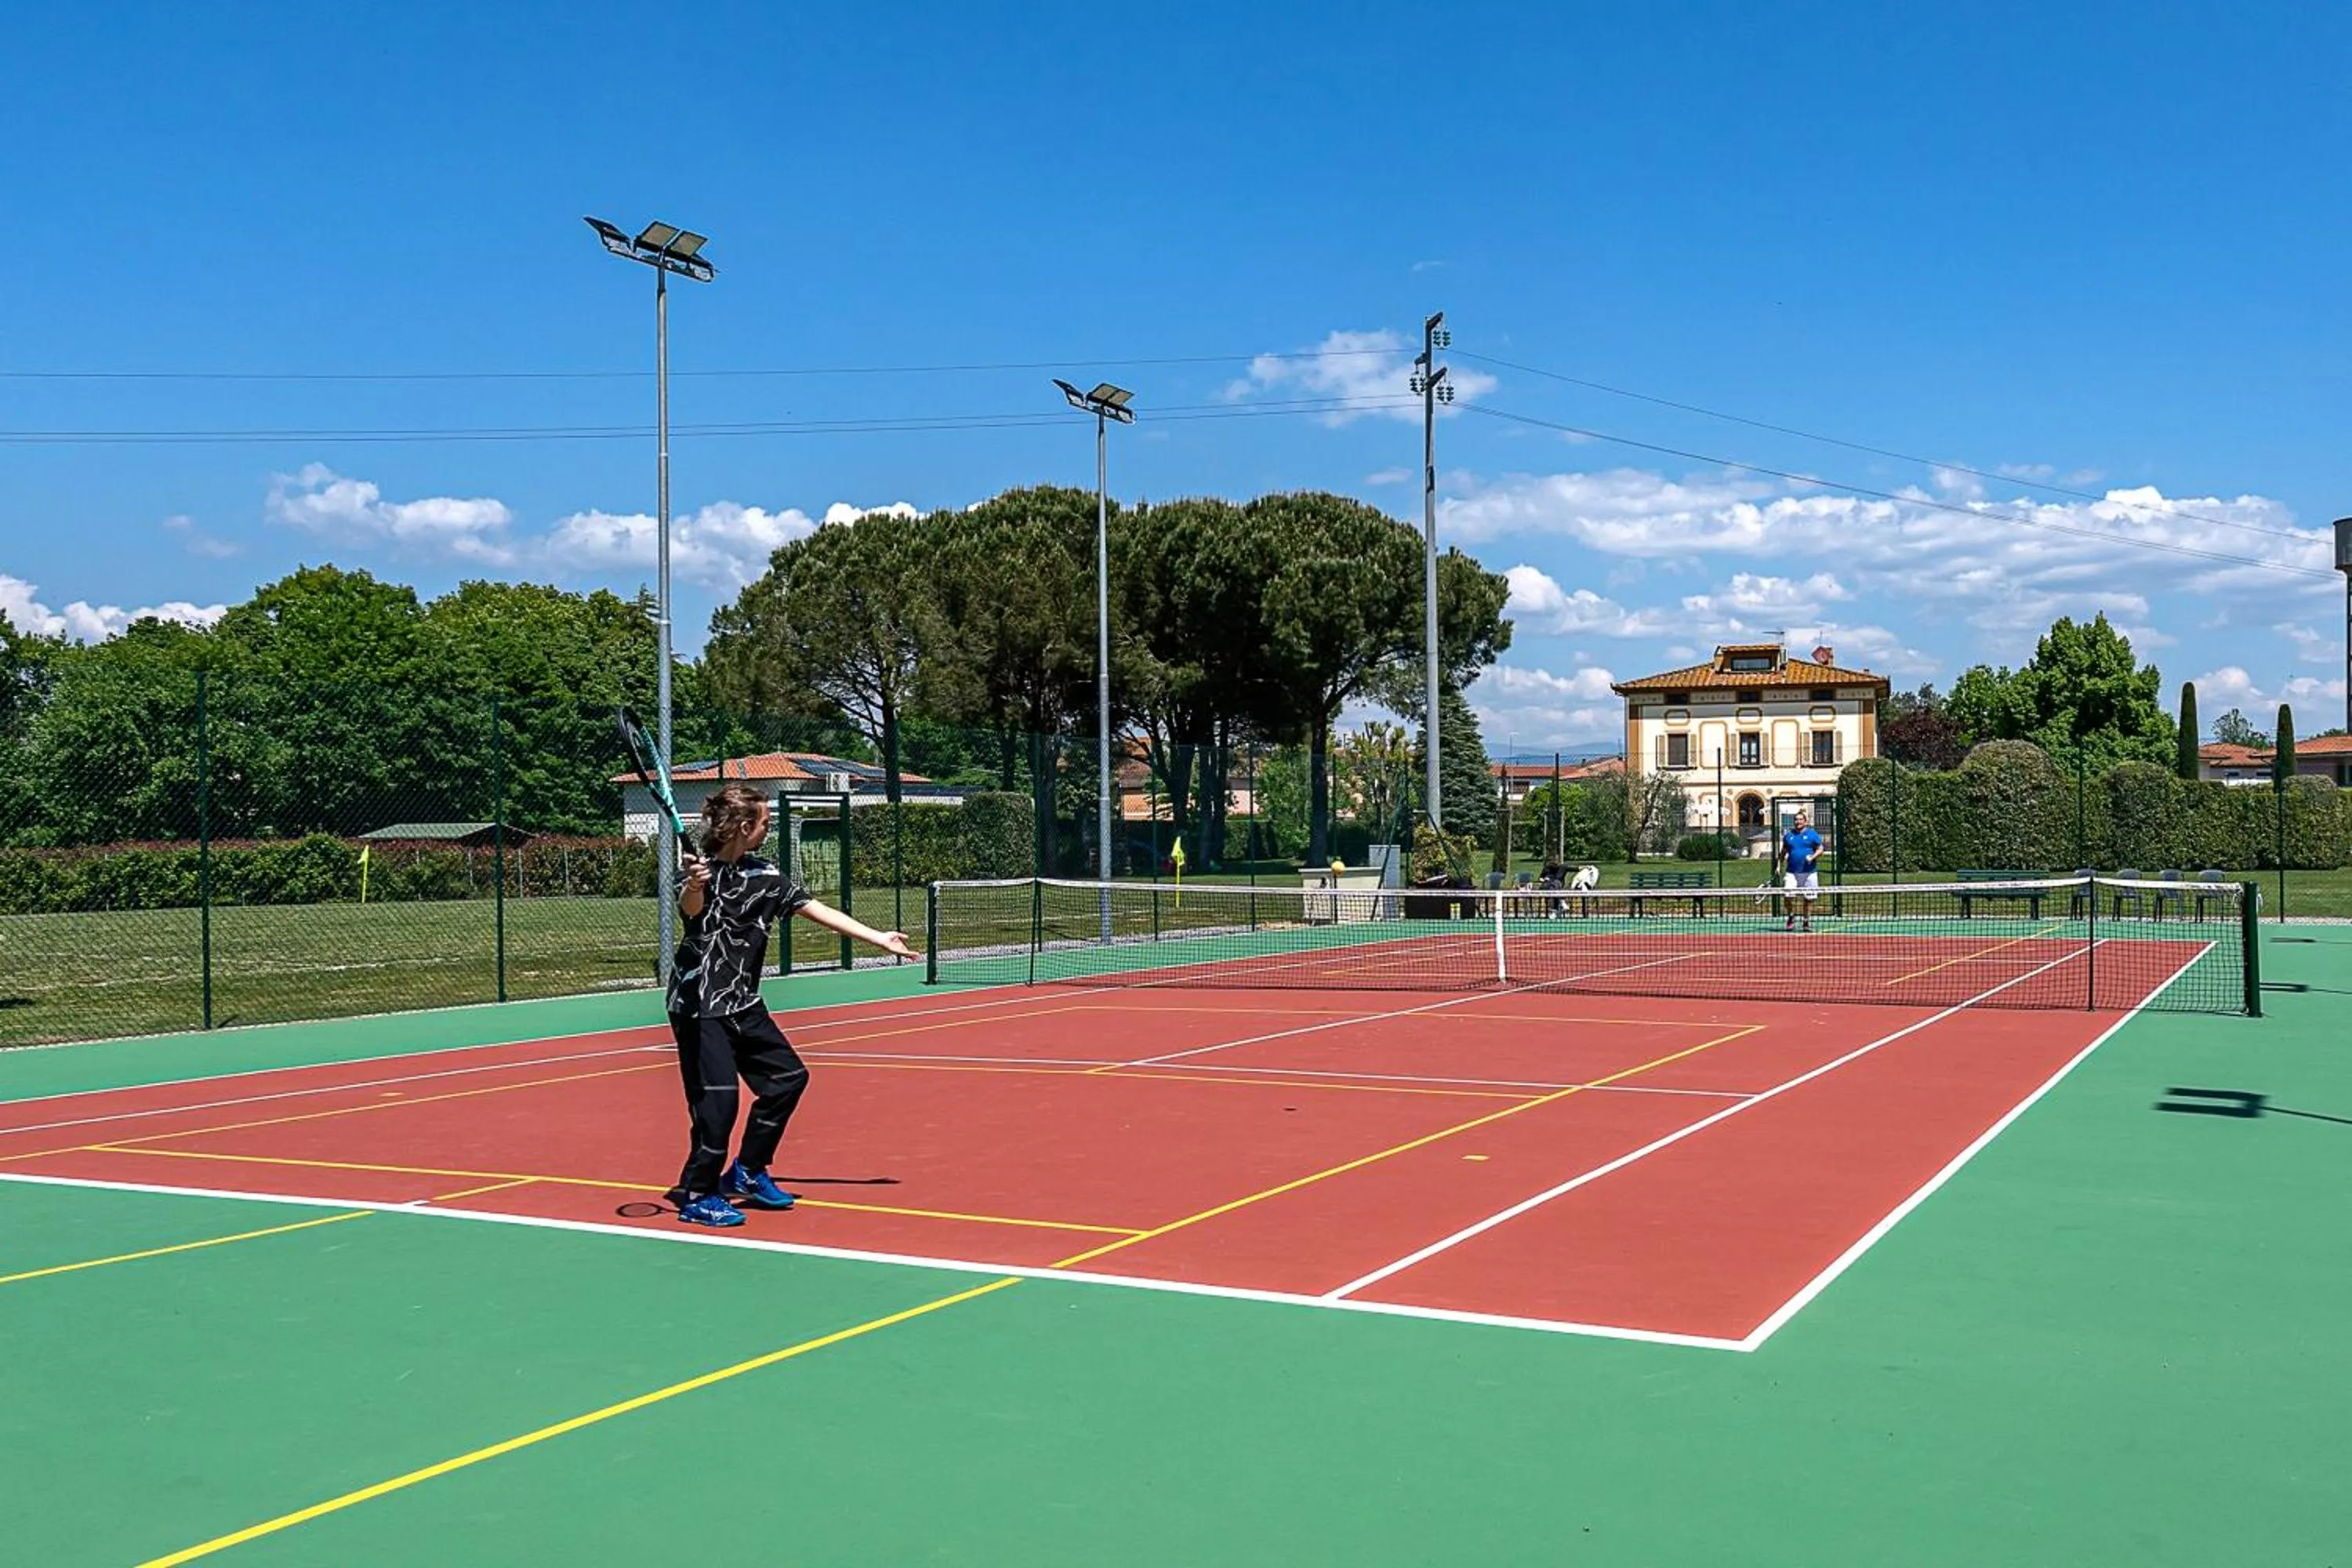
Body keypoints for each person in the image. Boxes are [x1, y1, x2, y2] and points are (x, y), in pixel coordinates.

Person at [666, 782, 917, 1229]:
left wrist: (879, 938)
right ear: (745, 827)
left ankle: (747, 1170)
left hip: (742, 1002)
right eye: (764, 821)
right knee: (718, 1105)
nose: (768, 827)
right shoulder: (698, 875)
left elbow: (815, 908)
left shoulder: (766, 876)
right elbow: (691, 912)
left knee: (787, 1079)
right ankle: (699, 1193)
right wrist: (693, 885)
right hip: (699, 1005)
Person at [1780, 811, 1824, 933]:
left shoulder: (1812, 835)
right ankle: (1791, 916)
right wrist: (1779, 866)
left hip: (1809, 872)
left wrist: (1813, 857)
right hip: (1792, 872)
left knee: (1809, 899)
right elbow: (1783, 852)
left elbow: (1820, 849)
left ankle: (1806, 921)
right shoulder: (1789, 836)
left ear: (1805, 821)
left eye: (1800, 819)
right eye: (1796, 819)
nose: (1797, 822)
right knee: (1788, 896)